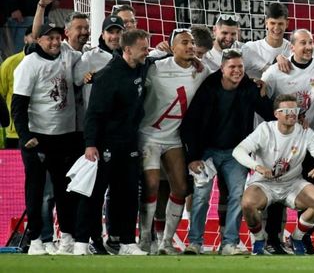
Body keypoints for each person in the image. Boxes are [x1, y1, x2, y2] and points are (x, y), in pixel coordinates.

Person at [181, 48, 275, 254]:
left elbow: (269, 114)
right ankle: (195, 242)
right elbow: (191, 123)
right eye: (232, 67)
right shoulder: (207, 87)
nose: (237, 71)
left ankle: (229, 243)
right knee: (200, 196)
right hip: (207, 152)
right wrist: (193, 157)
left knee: (236, 196)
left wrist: (265, 92)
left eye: (240, 66)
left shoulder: (249, 87)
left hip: (236, 153)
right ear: (222, 68)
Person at [78, 29, 151, 256]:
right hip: (104, 144)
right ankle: (89, 240)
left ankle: (127, 242)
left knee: (128, 193)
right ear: (127, 50)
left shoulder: (140, 66)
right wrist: (91, 144)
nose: (147, 52)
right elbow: (94, 114)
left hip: (129, 143)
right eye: (143, 48)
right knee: (96, 193)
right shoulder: (108, 76)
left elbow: (159, 58)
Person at [234, 93, 314, 255]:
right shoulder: (265, 129)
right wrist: (257, 166)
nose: (292, 114)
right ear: (276, 114)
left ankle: (296, 237)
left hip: (292, 183)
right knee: (247, 204)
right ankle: (260, 240)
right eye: (287, 111)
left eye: (295, 110)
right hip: (264, 183)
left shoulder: (305, 132)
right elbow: (238, 151)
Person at [12, 23, 81, 255]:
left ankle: (68, 237)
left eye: (56, 37)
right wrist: (25, 136)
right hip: (38, 136)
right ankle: (36, 240)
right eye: (48, 38)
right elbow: (18, 106)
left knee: (65, 189)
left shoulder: (67, 54)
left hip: (65, 136)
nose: (54, 42)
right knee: (37, 189)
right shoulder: (29, 65)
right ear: (37, 40)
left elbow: (81, 46)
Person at [138, 28, 207, 254]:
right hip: (149, 134)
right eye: (184, 42)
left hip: (175, 137)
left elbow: (224, 76)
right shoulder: (156, 68)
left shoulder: (202, 70)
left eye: (192, 42)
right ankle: (145, 239)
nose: (189, 46)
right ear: (172, 47)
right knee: (150, 186)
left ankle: (167, 242)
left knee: (180, 187)